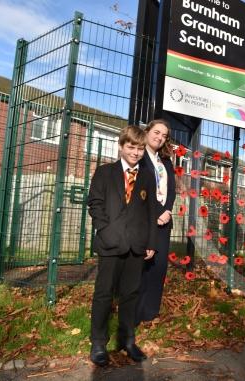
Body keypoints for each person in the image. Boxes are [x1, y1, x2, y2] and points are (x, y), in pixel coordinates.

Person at [88, 125, 158, 366]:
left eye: (140, 148)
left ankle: (128, 340)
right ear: (121, 146)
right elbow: (95, 203)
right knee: (104, 294)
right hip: (110, 243)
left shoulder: (147, 177)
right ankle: (98, 342)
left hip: (136, 246)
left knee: (130, 295)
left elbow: (151, 212)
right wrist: (104, 230)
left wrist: (150, 242)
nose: (136, 153)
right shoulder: (105, 172)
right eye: (131, 147)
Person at [136, 119, 177, 324]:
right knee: (141, 266)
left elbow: (172, 190)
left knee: (159, 267)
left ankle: (151, 312)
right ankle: (135, 312)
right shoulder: (139, 156)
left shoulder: (165, 161)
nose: (160, 137)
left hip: (164, 222)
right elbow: (139, 189)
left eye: (164, 135)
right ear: (147, 131)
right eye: (157, 132)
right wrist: (158, 211)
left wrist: (167, 209)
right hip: (145, 220)